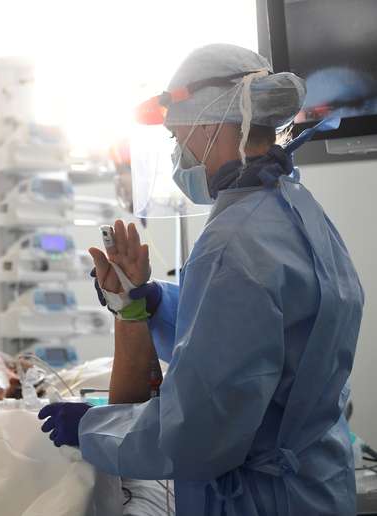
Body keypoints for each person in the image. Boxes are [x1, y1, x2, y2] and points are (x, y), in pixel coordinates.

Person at [38, 43, 364, 514]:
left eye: (177, 138)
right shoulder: (295, 208)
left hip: (261, 499)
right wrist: (154, 304)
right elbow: (255, 338)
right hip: (316, 484)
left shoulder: (234, 242)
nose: (178, 155)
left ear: (209, 126)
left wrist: (95, 427)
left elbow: (197, 432)